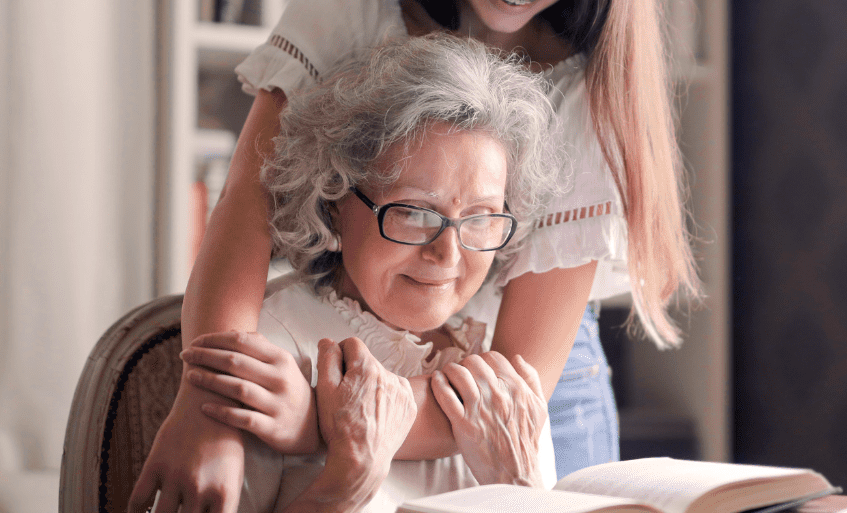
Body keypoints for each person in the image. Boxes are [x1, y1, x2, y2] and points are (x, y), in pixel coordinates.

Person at [131, 0, 700, 513]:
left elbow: (518, 373)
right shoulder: (347, 7)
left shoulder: (585, 93)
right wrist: (209, 403)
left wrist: (317, 423)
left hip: (520, 388)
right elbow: (245, 209)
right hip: (344, 347)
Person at [146, 35, 558, 512]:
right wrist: (345, 486)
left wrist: (521, 486)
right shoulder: (267, 351)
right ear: (334, 202)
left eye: (480, 217)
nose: (448, 253)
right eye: (413, 211)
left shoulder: (500, 375)